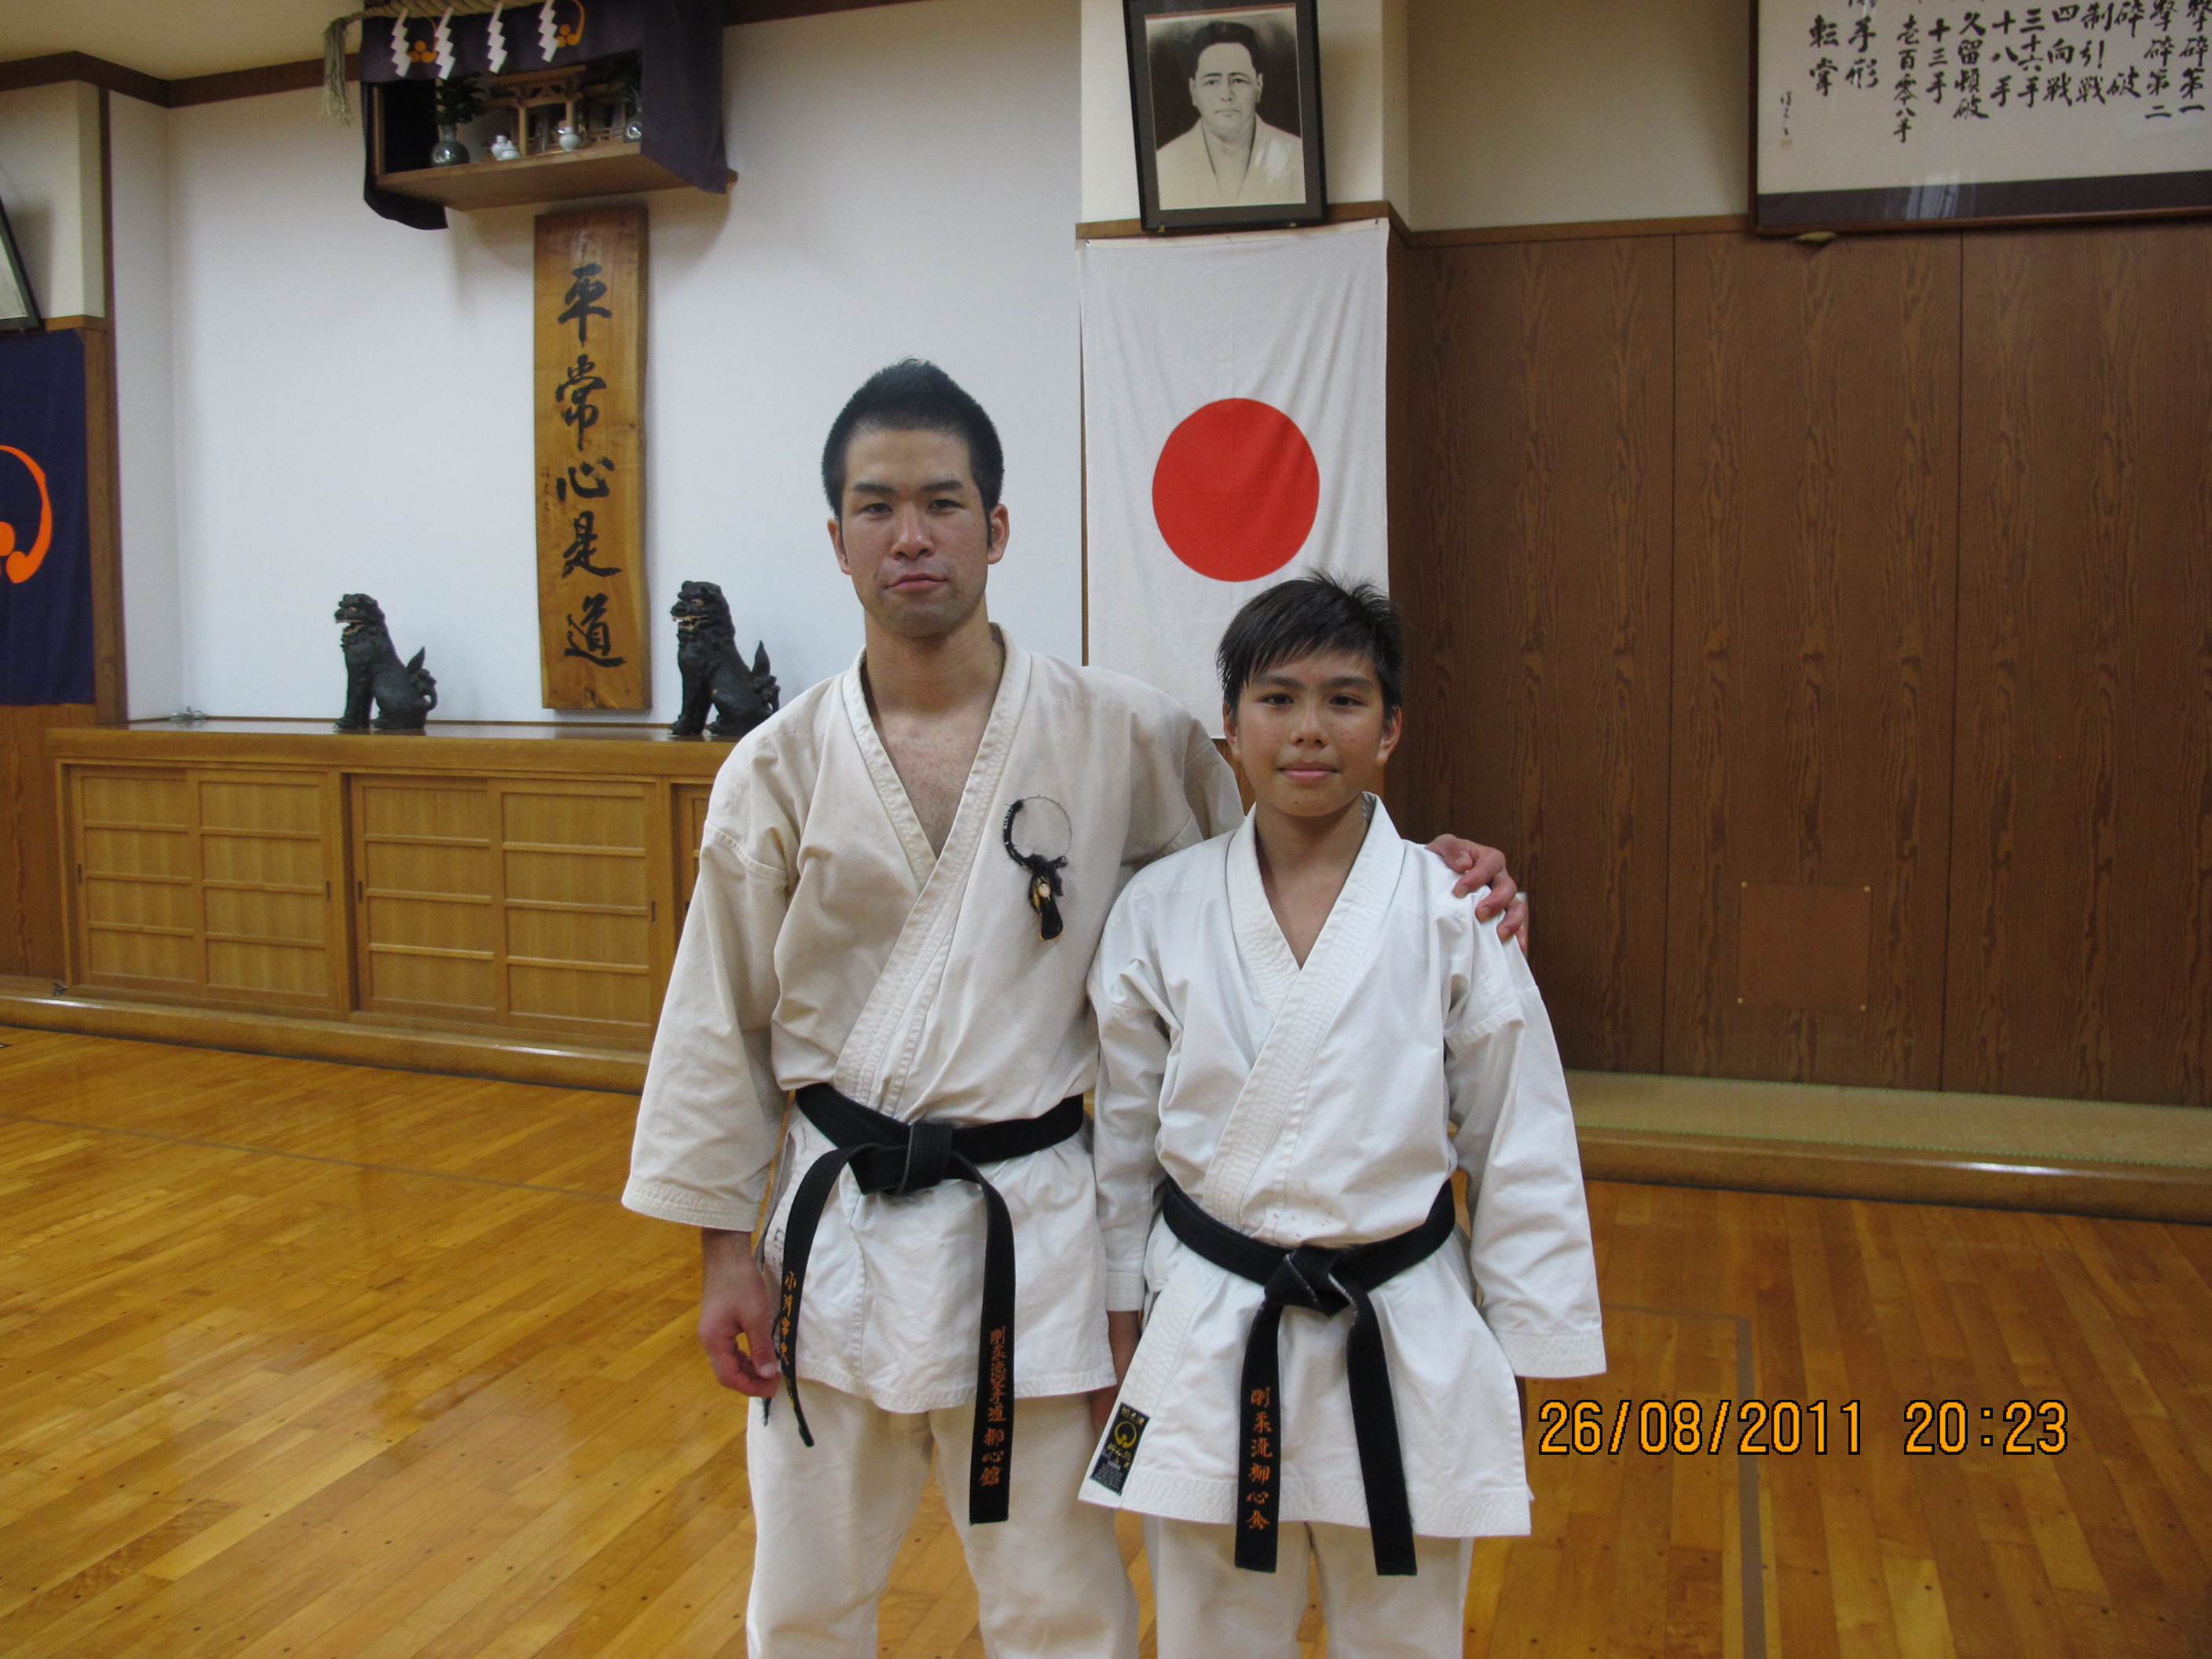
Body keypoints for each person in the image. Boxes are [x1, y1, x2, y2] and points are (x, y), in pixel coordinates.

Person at [622, 361, 1526, 1659]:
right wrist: (723, 1250)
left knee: (1061, 1605)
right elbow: (721, 1012)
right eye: (877, 506)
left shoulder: (1122, 735)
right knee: (805, 1594)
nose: (911, 535)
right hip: (836, 1232)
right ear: (837, 539)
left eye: (943, 503)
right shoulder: (776, 765)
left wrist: (1433, 874)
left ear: (996, 528)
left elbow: (1277, 872)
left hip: (1035, 1236)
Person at [1082, 575, 1602, 1659]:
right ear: (1229, 728)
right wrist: (1119, 1316)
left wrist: (1524, 1348)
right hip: (1208, 1319)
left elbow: (1519, 1139)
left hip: (1404, 1324)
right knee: (1210, 1632)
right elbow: (1124, 1142)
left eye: (1345, 699)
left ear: (1392, 728)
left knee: (1405, 1633)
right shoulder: (1159, 909)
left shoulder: (1454, 911)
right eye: (1276, 699)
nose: (1309, 730)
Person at [1153, 21, 1305, 211]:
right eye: (1212, 82)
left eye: (1238, 80)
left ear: (1259, 85)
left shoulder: (1298, 156)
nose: (1226, 95)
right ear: (1193, 91)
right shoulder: (1164, 164)